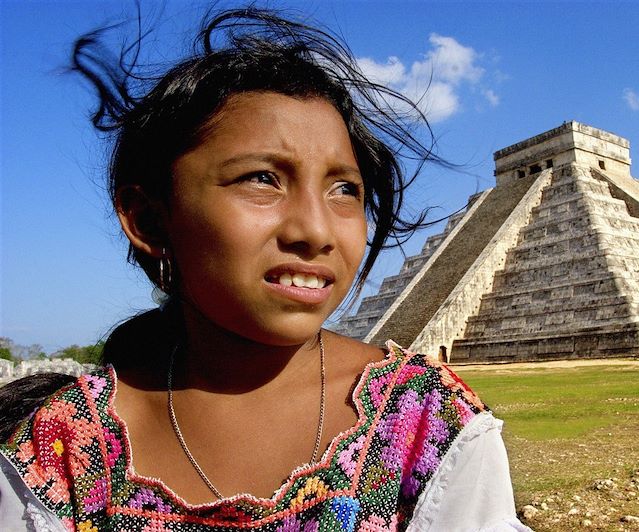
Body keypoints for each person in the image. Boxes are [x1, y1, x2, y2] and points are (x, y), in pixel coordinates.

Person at [0, 7, 529, 531]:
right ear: (148, 220)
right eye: (262, 178)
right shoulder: (62, 449)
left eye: (344, 188)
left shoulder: (425, 420)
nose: (316, 232)